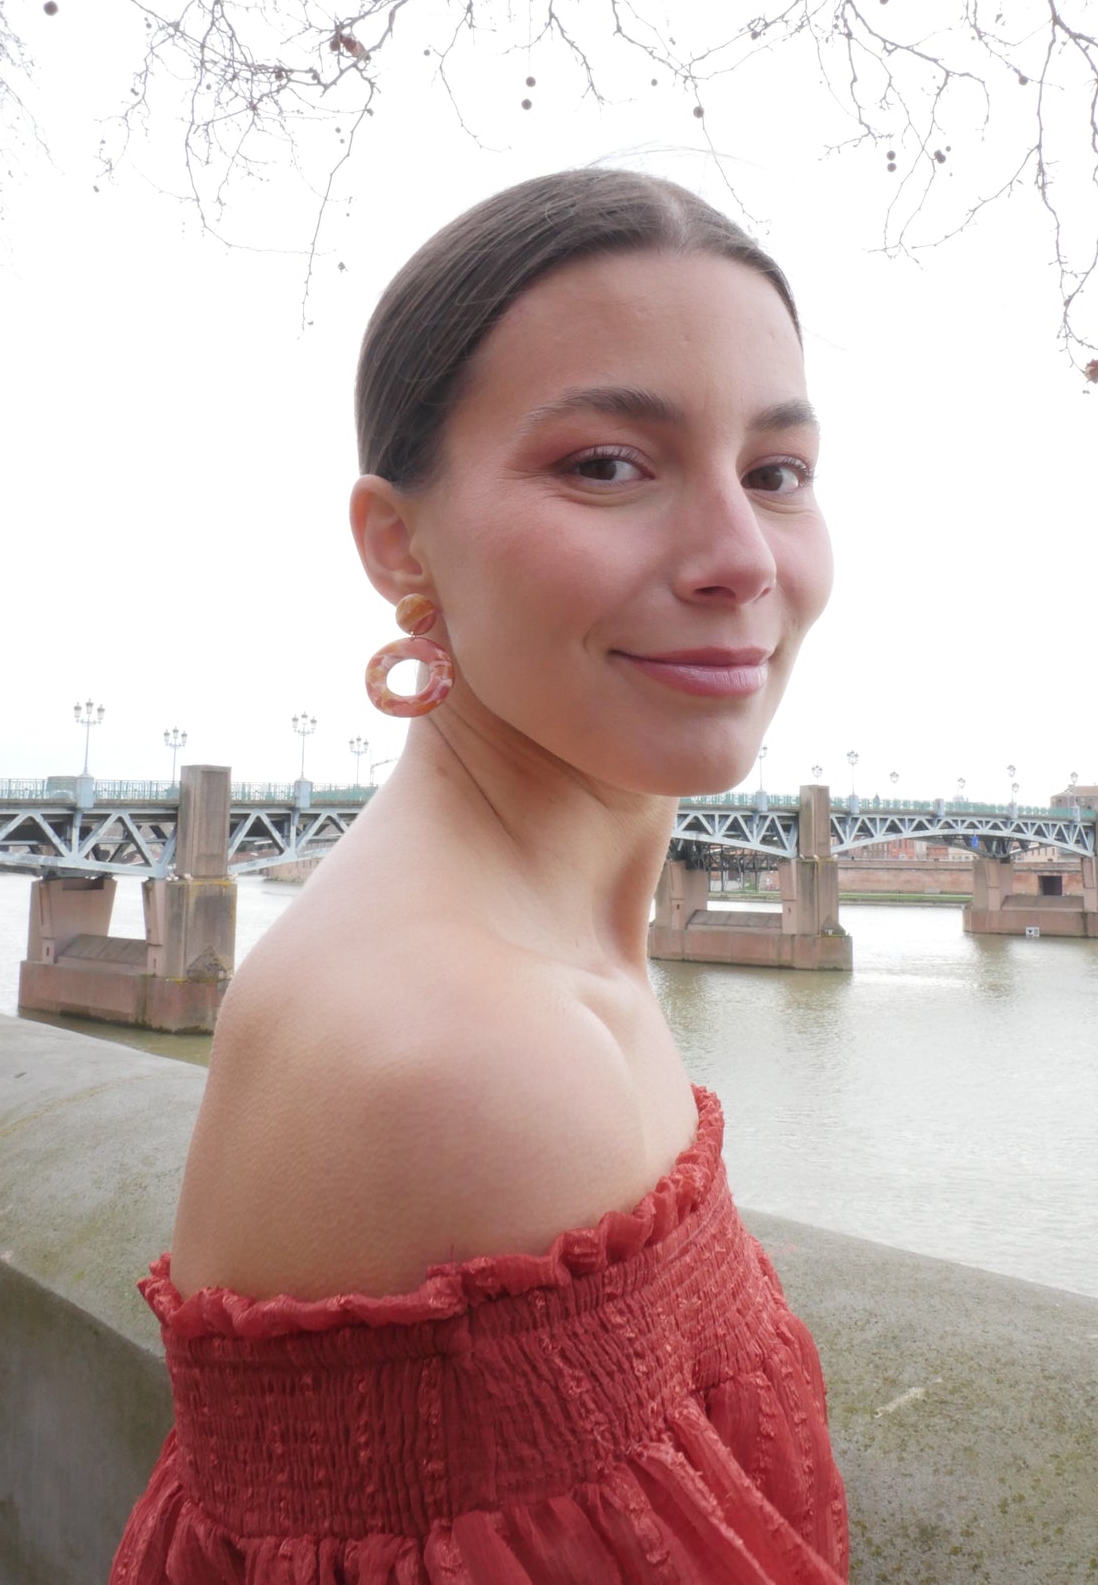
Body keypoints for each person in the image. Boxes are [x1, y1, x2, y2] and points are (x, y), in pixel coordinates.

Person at [111, 168, 850, 1582]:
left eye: (775, 474)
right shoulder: (467, 1062)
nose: (739, 558)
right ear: (401, 545)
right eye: (604, 465)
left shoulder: (513, 957)